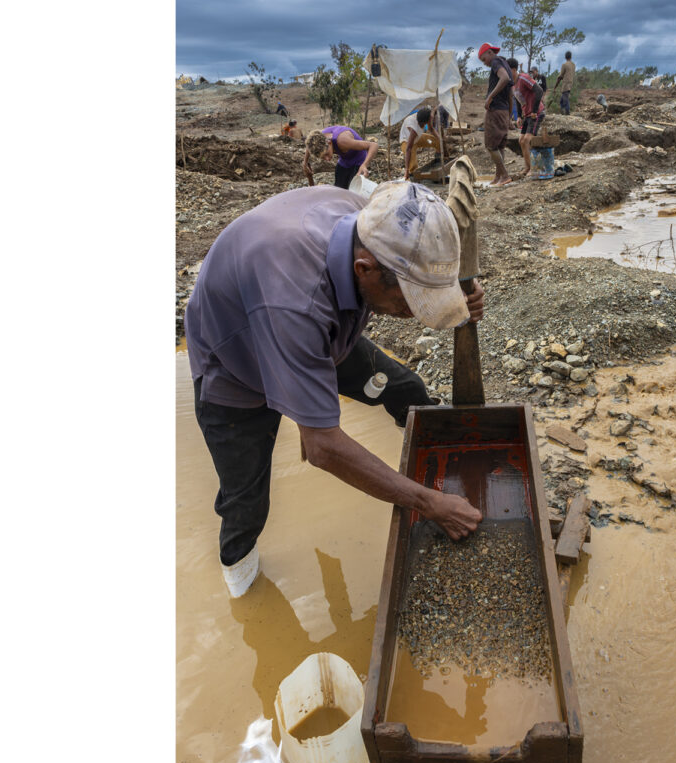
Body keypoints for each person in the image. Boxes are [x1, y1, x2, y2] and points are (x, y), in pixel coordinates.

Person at [185, 181, 486, 597]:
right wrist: (425, 504)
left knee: (406, 389)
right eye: (409, 301)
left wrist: (455, 300)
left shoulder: (372, 219)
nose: (411, 313)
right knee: (246, 502)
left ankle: (438, 480)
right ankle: (244, 587)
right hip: (237, 370)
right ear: (365, 270)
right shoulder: (295, 301)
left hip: (322, 336)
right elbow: (324, 449)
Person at [477, 42, 514, 186]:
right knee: (500, 147)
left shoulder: (496, 62)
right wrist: (509, 116)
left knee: (491, 146)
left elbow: (503, 78)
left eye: (483, 59)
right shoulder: (506, 65)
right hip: (504, 111)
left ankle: (504, 175)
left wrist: (490, 97)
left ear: (490, 53)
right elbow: (510, 95)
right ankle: (498, 176)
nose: (485, 63)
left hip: (496, 110)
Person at [304, 125, 378, 189]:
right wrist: (305, 162)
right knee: (338, 189)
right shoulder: (318, 138)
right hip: (344, 160)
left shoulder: (342, 141)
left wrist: (364, 165)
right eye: (323, 157)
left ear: (329, 143)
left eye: (326, 154)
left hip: (358, 160)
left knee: (354, 191)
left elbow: (373, 145)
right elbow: (309, 144)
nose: (327, 159)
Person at [508, 58, 544, 181]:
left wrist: (534, 111)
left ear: (513, 70)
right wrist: (518, 116)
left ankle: (534, 168)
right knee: (521, 140)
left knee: (528, 139)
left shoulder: (523, 78)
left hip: (536, 112)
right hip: (527, 114)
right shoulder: (512, 85)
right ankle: (527, 167)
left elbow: (539, 91)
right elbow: (518, 101)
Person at [399, 107, 432, 180]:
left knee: (432, 140)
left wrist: (439, 139)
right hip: (407, 142)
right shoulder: (414, 129)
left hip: (417, 138)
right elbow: (408, 148)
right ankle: (411, 178)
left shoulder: (423, 116)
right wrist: (407, 170)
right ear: (425, 122)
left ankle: (441, 155)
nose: (432, 118)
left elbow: (431, 129)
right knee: (413, 165)